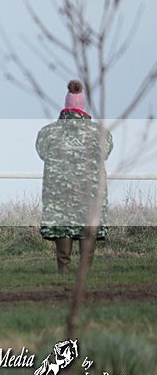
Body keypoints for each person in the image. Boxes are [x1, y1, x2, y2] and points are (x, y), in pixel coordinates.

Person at [36, 80, 113, 274]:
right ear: (83, 106)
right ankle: (84, 273)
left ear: (66, 105)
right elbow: (105, 153)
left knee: (63, 227)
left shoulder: (48, 133)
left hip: (59, 192)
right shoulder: (100, 134)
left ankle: (63, 269)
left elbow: (42, 152)